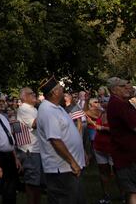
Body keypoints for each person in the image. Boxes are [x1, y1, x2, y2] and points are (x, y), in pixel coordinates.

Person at [36, 76, 86, 204]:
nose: (62, 89)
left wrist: (81, 153)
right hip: (62, 168)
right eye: (59, 87)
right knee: (65, 199)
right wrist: (73, 162)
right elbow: (55, 140)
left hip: (70, 166)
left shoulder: (57, 108)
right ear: (54, 92)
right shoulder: (47, 110)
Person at [85, 96, 114, 204]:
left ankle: (124, 194)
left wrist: (102, 128)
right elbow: (86, 112)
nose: (101, 103)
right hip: (99, 146)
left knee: (116, 171)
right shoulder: (100, 113)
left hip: (111, 146)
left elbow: (117, 129)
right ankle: (106, 195)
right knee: (103, 171)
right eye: (100, 101)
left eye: (104, 101)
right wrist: (87, 100)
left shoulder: (114, 114)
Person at [16, 87, 42, 204]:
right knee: (32, 183)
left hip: (37, 149)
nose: (35, 95)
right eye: (32, 94)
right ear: (24, 97)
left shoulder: (33, 109)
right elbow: (34, 124)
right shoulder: (24, 109)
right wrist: (45, 111)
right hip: (30, 150)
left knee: (37, 183)